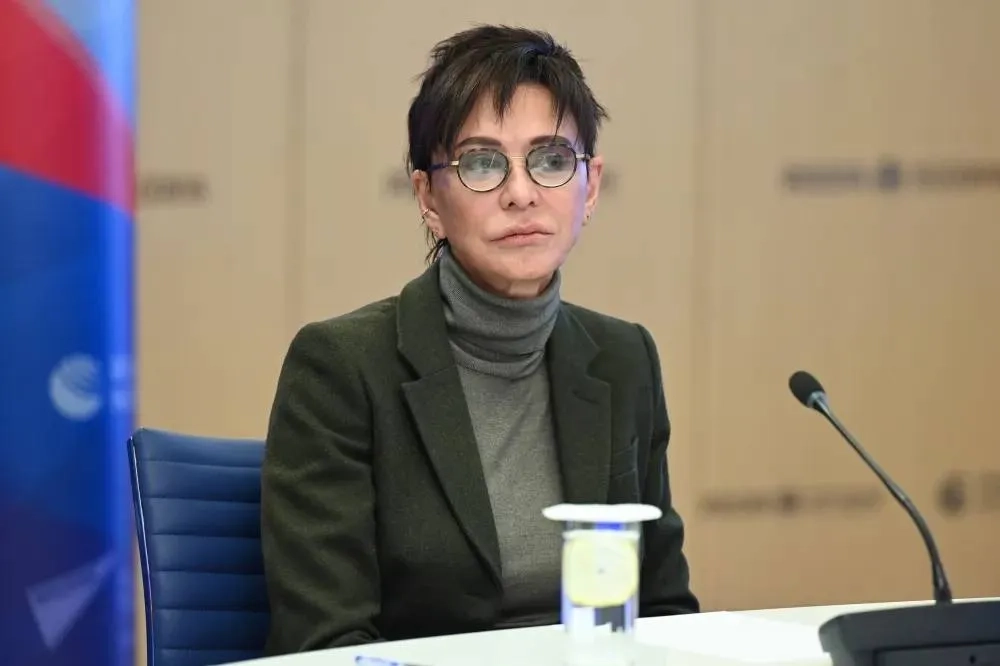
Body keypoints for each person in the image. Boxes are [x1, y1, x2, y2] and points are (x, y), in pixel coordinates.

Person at [260, 24, 699, 655]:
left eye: (551, 160)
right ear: (428, 198)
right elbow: (328, 642)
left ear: (591, 186)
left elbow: (663, 613)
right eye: (482, 164)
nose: (521, 194)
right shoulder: (343, 367)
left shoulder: (624, 358)